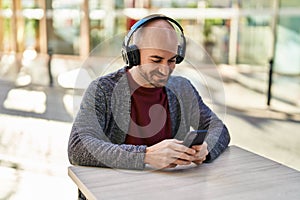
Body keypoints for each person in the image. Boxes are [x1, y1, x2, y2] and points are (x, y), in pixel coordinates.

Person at [68, 14, 230, 171]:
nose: (165, 69)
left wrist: (206, 148)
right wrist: (146, 155)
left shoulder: (183, 89)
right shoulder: (102, 89)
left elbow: (218, 128)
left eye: (172, 60)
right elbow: (78, 147)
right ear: (133, 56)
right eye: (156, 59)